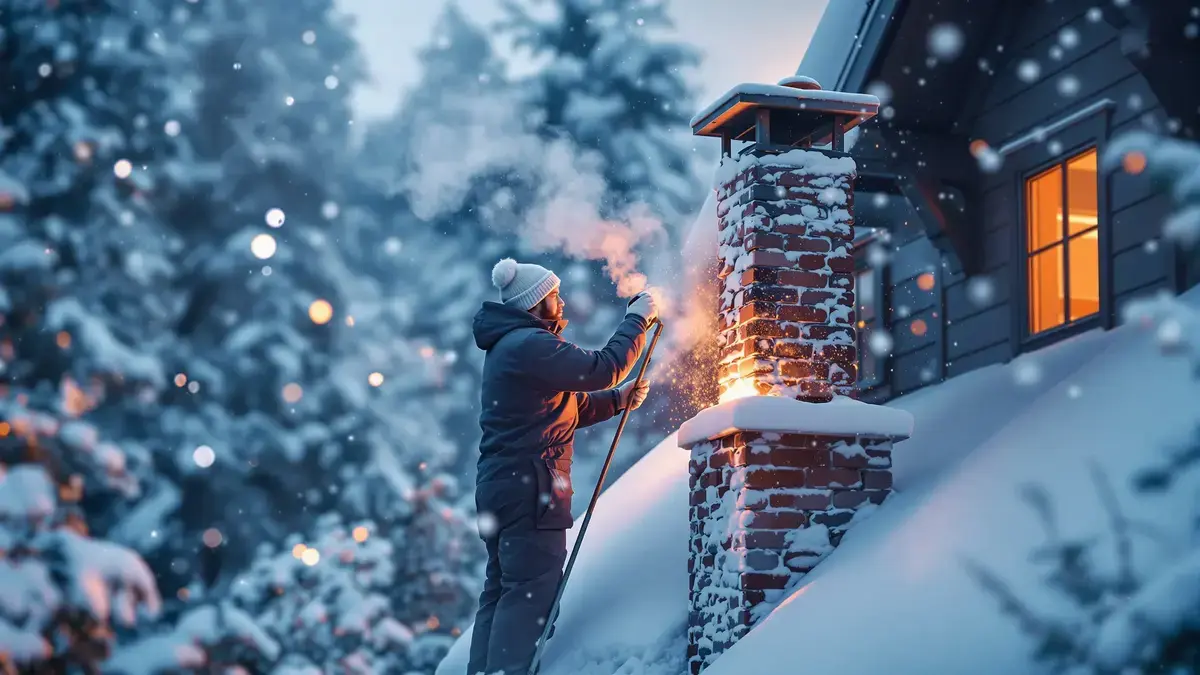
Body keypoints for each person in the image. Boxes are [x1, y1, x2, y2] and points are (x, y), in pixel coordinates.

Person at [467, 258, 658, 675]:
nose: (562, 302)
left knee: (502, 591)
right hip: (531, 488)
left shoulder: (511, 348)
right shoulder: (528, 344)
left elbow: (566, 406)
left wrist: (618, 401)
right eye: (555, 296)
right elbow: (602, 369)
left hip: (502, 487)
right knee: (531, 593)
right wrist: (637, 321)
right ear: (536, 304)